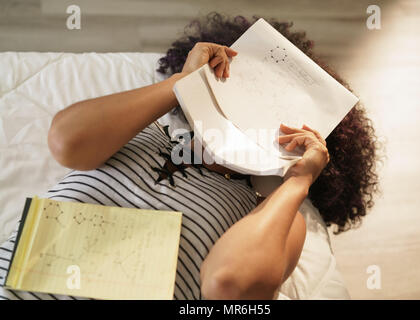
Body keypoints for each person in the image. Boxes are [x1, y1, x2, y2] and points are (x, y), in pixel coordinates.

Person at [0, 13, 378, 300]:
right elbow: (66, 142)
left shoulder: (272, 214)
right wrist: (180, 85)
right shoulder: (140, 131)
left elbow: (228, 285)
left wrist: (298, 181)